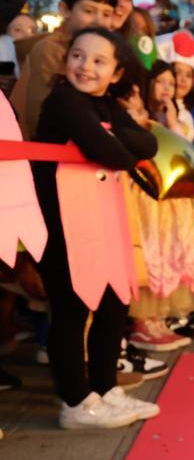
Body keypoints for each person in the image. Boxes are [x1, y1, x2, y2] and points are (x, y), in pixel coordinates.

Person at [33, 27, 159, 429]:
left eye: (98, 60)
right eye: (77, 55)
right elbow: (114, 154)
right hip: (61, 225)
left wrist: (115, 135)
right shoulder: (64, 100)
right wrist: (117, 141)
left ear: (116, 73)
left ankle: (105, 389)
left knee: (112, 303)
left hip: (100, 221)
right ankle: (75, 402)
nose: (85, 66)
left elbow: (148, 145)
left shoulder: (103, 104)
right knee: (71, 310)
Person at [125, 61, 194, 350]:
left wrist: (171, 119)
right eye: (160, 82)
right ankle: (142, 320)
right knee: (149, 254)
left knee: (168, 254)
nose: (166, 88)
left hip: (172, 201)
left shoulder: (177, 118)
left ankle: (158, 318)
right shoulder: (135, 113)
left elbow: (182, 144)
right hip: (146, 196)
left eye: (170, 83)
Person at [13, 0, 117, 139]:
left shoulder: (108, 51)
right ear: (64, 9)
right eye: (88, 11)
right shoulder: (51, 50)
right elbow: (44, 115)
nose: (98, 21)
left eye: (106, 14)